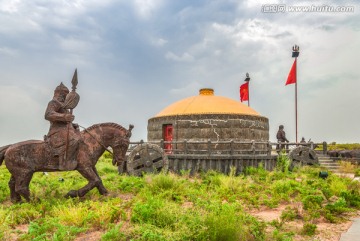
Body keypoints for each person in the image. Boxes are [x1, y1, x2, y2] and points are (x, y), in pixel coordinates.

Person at [44, 82, 81, 170]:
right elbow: (48, 114)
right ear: (60, 94)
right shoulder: (53, 102)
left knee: (80, 137)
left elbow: (65, 121)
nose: (66, 97)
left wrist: (72, 124)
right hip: (57, 130)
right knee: (74, 139)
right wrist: (65, 116)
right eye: (65, 95)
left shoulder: (63, 106)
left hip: (65, 129)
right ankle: (64, 161)